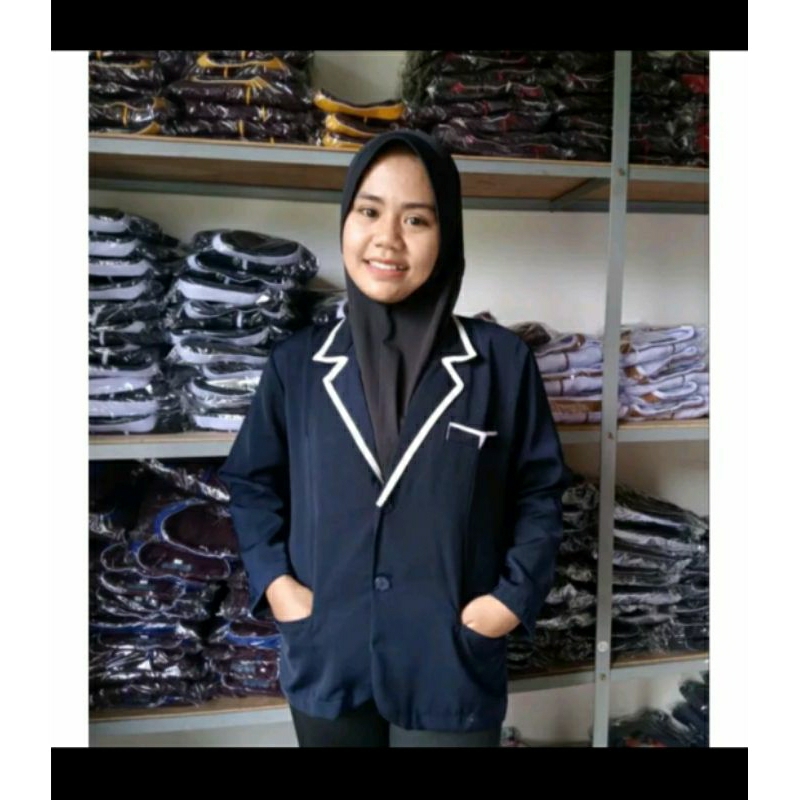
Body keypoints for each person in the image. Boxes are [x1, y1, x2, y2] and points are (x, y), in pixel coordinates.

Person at [219, 129, 569, 747]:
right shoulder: (297, 365)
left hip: (449, 660)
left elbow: (538, 492)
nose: (388, 238)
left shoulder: (501, 362)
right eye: (369, 211)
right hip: (328, 652)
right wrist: (278, 586)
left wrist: (508, 602)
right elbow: (251, 482)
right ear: (345, 220)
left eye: (416, 219)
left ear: (447, 234)